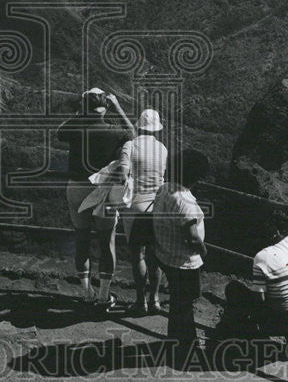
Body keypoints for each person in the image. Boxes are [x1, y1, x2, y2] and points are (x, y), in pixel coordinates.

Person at [57, 87, 134, 310]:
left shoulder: (76, 129)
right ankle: (103, 295)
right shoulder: (113, 130)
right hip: (104, 192)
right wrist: (118, 108)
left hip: (77, 188)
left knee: (81, 239)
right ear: (105, 108)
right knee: (106, 242)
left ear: (85, 108)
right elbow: (133, 135)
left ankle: (86, 292)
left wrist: (81, 111)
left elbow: (60, 132)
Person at [224, 211, 288, 357]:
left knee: (234, 288)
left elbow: (258, 301)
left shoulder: (262, 257)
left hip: (278, 323)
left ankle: (247, 335)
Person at [152, 150, 207, 359]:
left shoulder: (165, 188)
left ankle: (179, 341)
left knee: (178, 300)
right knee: (184, 303)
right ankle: (184, 350)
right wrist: (204, 252)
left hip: (166, 254)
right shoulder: (185, 201)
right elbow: (192, 237)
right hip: (184, 262)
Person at [118, 108, 168, 315]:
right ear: (156, 129)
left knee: (137, 254)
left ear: (139, 125)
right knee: (155, 256)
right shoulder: (163, 148)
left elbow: (122, 176)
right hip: (158, 206)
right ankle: (155, 299)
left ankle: (140, 302)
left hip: (136, 207)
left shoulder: (130, 145)